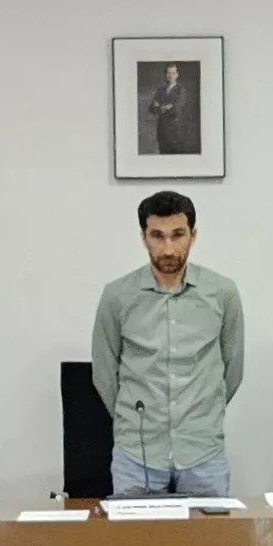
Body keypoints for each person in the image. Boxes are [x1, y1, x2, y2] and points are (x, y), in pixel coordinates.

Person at [90, 189, 246, 496]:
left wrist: (202, 415)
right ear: (143, 237)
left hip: (203, 453)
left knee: (207, 544)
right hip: (137, 454)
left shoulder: (222, 293)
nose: (169, 248)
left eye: (178, 235)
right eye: (157, 236)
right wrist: (133, 423)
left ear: (193, 235)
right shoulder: (117, 296)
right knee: (136, 545)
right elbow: (105, 374)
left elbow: (232, 369)